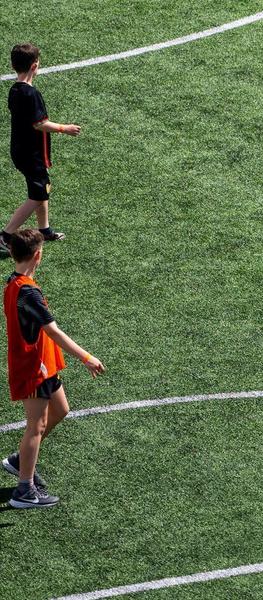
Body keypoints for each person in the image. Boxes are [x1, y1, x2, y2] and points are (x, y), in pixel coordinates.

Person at [1, 229, 105, 508]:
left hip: (42, 366)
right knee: (37, 427)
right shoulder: (28, 293)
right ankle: (24, 491)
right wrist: (86, 357)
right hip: (34, 368)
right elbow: (54, 332)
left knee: (60, 410)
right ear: (38, 255)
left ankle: (19, 461)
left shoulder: (14, 283)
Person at [0, 43, 81, 255]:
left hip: (20, 150)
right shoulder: (31, 94)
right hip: (31, 153)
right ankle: (6, 235)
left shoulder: (14, 90)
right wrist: (65, 128)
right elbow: (39, 124)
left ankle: (44, 230)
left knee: (42, 189)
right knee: (37, 195)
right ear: (35, 66)